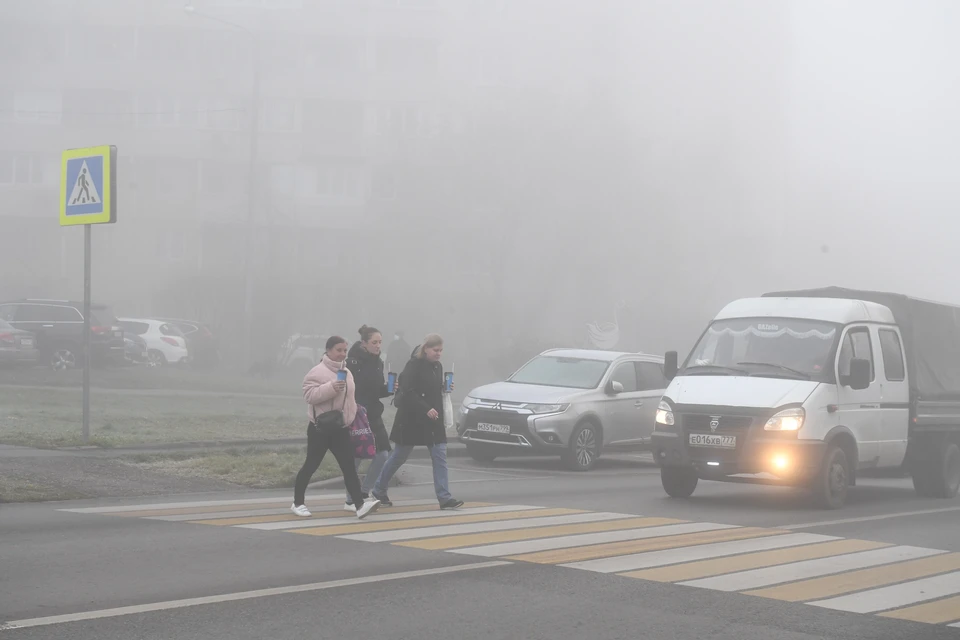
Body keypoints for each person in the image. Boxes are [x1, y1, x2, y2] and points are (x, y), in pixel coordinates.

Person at [292, 336, 380, 519]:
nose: (342, 354)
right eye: (338, 350)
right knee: (311, 465)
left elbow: (350, 399)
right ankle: (298, 503)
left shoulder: (347, 372)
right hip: (320, 428)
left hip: (340, 428)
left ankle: (359, 505)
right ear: (328, 350)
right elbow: (309, 396)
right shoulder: (317, 372)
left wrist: (352, 416)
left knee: (348, 467)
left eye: (344, 350)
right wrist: (332, 387)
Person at [372, 333, 464, 510]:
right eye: (435, 350)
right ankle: (378, 490)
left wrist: (444, 387)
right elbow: (407, 391)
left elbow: (431, 388)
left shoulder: (438, 366)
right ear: (426, 349)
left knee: (440, 456)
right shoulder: (413, 365)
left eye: (441, 350)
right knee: (399, 456)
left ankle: (444, 498)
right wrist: (425, 408)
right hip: (411, 419)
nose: (438, 353)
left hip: (433, 420)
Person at [343, 324, 395, 512]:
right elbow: (346, 388)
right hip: (356, 414)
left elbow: (376, 390)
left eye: (380, 342)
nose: (378, 346)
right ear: (364, 343)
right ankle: (351, 500)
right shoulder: (352, 362)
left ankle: (364, 493)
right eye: (374, 342)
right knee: (356, 457)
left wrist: (388, 389)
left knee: (382, 454)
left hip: (373, 414)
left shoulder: (378, 362)